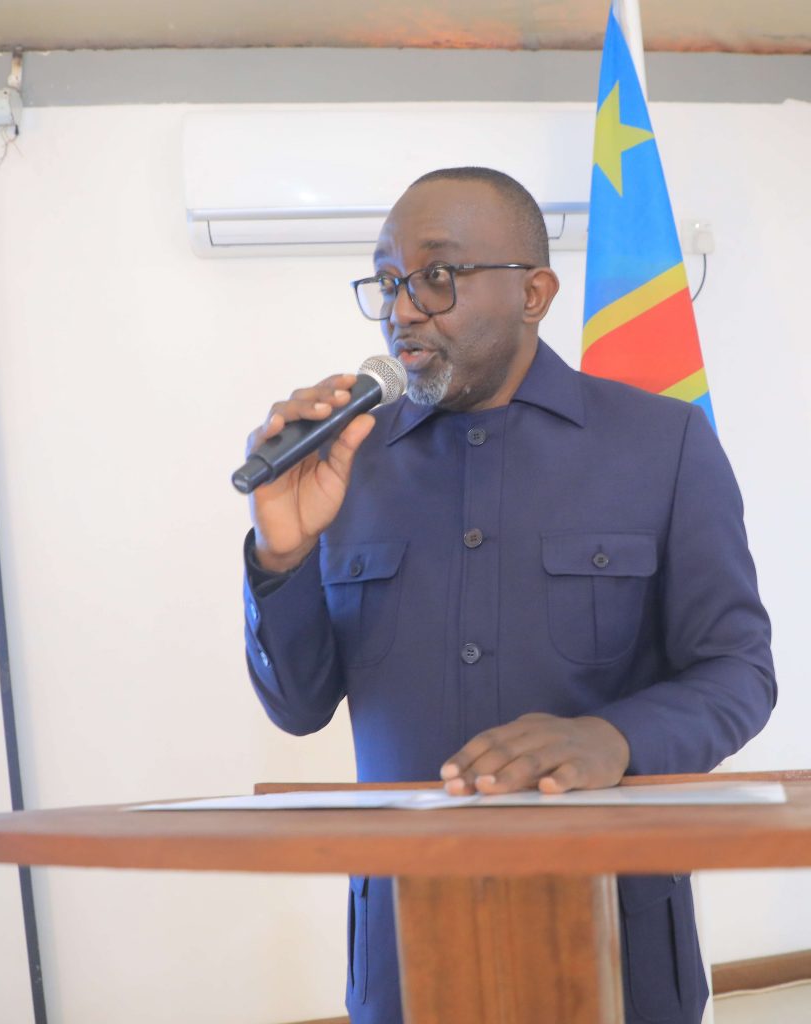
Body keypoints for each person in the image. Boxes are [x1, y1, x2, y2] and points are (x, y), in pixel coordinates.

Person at [241, 166, 775, 1024]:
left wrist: (614, 738)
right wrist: (284, 551)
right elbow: (299, 708)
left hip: (616, 932)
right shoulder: (345, 462)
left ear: (534, 293)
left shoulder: (663, 443)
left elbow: (738, 673)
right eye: (387, 282)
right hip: (407, 947)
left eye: (436, 276)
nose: (403, 309)